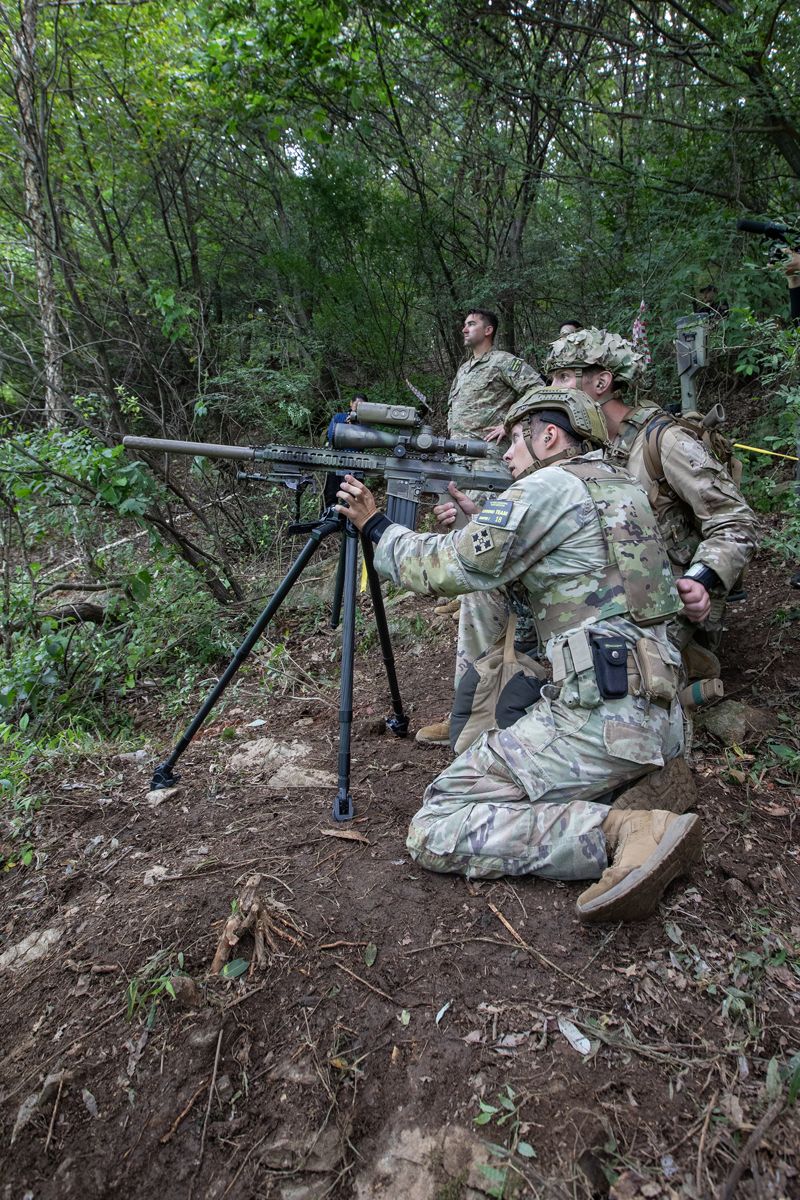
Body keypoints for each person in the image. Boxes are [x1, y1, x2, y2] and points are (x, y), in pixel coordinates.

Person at [334, 387, 702, 923]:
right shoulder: (621, 487)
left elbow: (440, 569)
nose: (505, 454)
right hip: (660, 712)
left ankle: (625, 833)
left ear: (548, 436)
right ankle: (639, 782)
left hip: (603, 718)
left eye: (513, 440)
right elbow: (575, 590)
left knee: (437, 820)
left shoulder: (548, 486)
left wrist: (376, 526)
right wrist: (481, 524)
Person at [543, 328, 759, 670]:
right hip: (614, 591)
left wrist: (700, 579)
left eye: (565, 376)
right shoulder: (586, 446)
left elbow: (736, 521)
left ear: (601, 383)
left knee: (606, 676)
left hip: (673, 598)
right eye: (551, 377)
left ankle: (685, 663)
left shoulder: (664, 440)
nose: (552, 389)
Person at [417, 309, 543, 743]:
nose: (464, 329)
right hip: (464, 465)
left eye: (472, 323)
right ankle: (469, 706)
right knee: (474, 560)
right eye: (463, 324)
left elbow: (539, 394)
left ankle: (483, 706)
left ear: (488, 329)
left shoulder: (504, 362)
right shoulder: (466, 368)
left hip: (495, 468)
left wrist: (509, 426)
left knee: (492, 566)